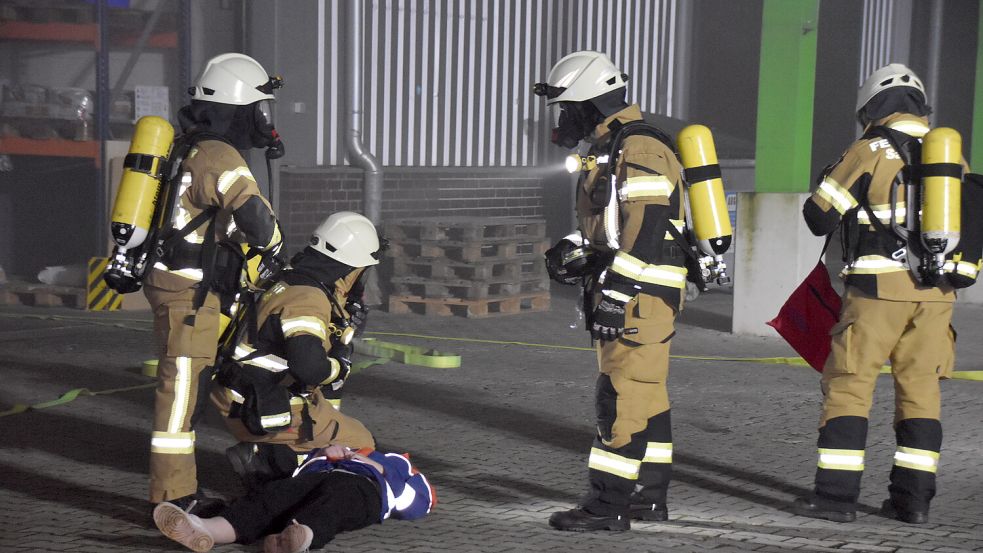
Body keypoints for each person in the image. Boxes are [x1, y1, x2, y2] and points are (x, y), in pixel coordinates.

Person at [793, 63, 969, 524]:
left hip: (876, 293)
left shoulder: (869, 148)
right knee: (921, 394)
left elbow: (819, 218)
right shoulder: (951, 160)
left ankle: (835, 498)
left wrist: (833, 174)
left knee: (849, 388)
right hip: (937, 296)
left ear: (871, 107)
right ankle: (912, 504)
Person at [534, 51, 689, 531]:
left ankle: (608, 507)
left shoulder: (638, 147)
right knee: (647, 395)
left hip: (639, 296)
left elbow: (648, 226)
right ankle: (647, 498)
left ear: (591, 103)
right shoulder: (613, 145)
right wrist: (576, 248)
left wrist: (617, 294)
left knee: (618, 397)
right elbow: (614, 224)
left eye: (568, 107)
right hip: (639, 292)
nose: (564, 118)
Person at [144, 52, 287, 512]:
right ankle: (173, 498)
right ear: (241, 106)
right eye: (259, 108)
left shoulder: (186, 145)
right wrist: (273, 247)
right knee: (182, 392)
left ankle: (269, 463)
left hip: (185, 288)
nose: (263, 119)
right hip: (193, 295)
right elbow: (255, 219)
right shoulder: (219, 154)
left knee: (229, 374)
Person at [211, 212, 382, 486]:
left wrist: (344, 325)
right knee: (364, 446)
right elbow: (309, 367)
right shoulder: (308, 299)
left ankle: (275, 458)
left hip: (246, 393)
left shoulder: (295, 278)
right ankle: (266, 460)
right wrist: (339, 366)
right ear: (351, 268)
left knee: (336, 432)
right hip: (259, 404)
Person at [153, 444, 435, 553]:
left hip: (363, 488)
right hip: (313, 478)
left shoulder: (395, 462)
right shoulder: (325, 454)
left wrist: (378, 467)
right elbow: (293, 466)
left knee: (334, 503)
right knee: (271, 498)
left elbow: (422, 501)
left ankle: (300, 537)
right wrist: (323, 452)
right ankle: (204, 528)